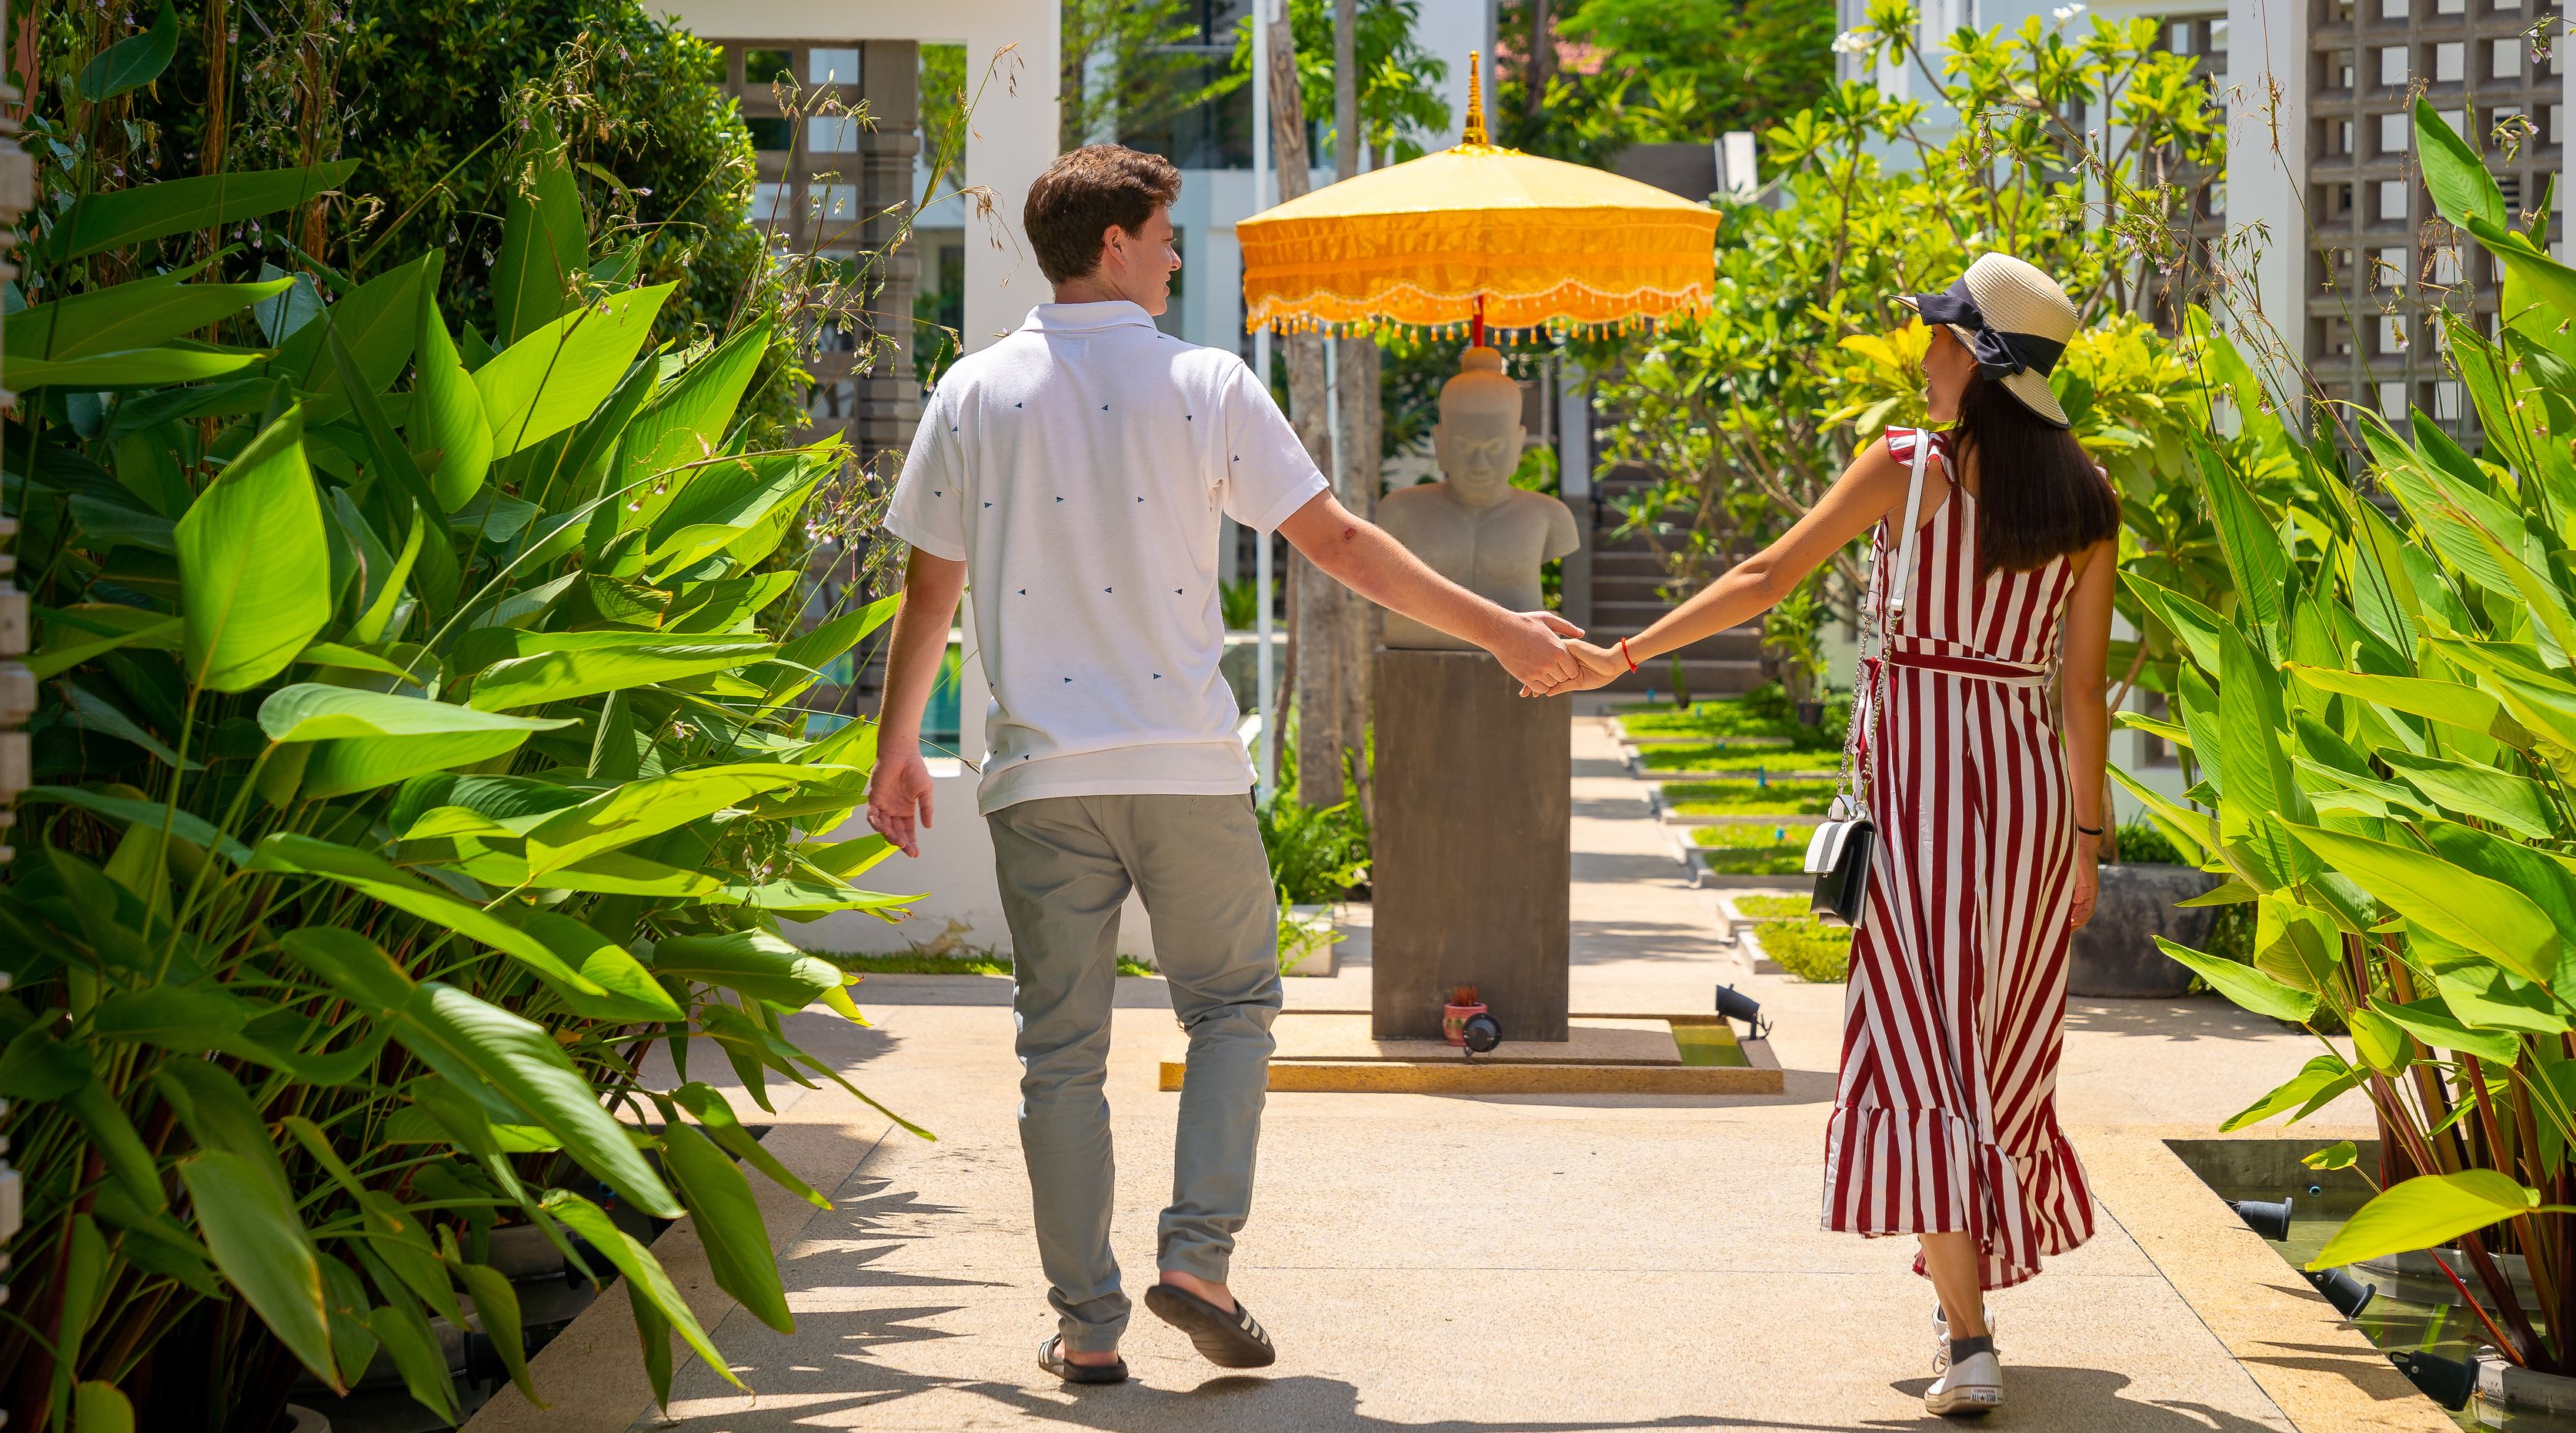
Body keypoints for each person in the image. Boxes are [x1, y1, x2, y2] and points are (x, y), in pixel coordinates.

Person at [864, 143, 1583, 1388]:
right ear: (1111, 245)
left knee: (1060, 1055)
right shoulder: (1205, 383)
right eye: (1167, 231)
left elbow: (930, 592)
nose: (1179, 253)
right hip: (1186, 771)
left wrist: (896, 753)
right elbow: (1343, 546)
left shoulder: (971, 393)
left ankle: (1089, 1328)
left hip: (1042, 780)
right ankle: (1197, 1259)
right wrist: (1506, 632)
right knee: (1235, 1007)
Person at [1543, 251, 2120, 1418]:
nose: (1923, 354)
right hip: (2018, 800)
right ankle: (1966, 1311)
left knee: (1920, 1047)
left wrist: (1624, 653)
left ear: (1977, 363)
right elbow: (2080, 694)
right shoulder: (2086, 497)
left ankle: (1969, 1339)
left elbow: (1764, 578)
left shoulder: (1905, 472)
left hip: (1918, 796)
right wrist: (2086, 842)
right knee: (1987, 1053)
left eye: (1940, 340)